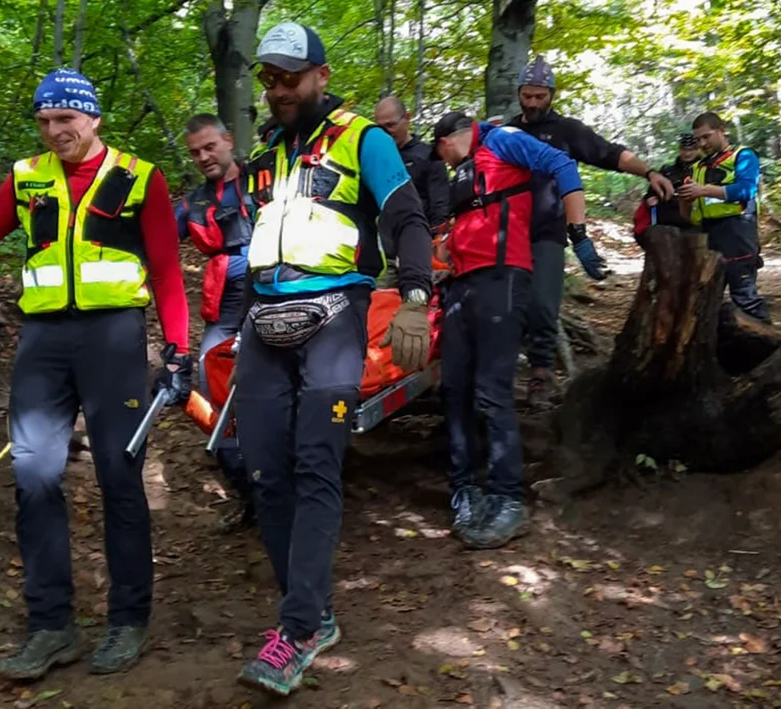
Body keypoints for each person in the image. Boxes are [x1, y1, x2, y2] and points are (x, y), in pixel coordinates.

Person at [0, 68, 191, 679]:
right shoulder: (26, 178)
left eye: (66, 119)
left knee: (120, 476)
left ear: (92, 120)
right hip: (43, 342)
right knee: (33, 474)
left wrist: (178, 349)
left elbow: (166, 267)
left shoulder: (140, 179)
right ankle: (52, 626)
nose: (55, 131)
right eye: (44, 121)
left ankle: (127, 620)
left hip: (113, 339)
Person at [232, 21, 435, 697]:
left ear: (320, 75)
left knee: (318, 460)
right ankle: (313, 611)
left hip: (336, 318)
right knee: (265, 470)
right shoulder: (264, 159)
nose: (279, 89)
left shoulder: (362, 138)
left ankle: (295, 630)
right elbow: (250, 249)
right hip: (263, 321)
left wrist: (413, 294)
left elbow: (406, 215)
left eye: (291, 76)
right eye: (270, 78)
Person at [430, 110, 586, 549]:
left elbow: (562, 164)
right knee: (454, 388)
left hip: (503, 278)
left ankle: (509, 499)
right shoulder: (467, 167)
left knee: (491, 391)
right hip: (462, 284)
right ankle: (465, 488)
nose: (442, 162)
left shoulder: (503, 140)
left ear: (448, 139)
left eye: (440, 152)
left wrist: (578, 230)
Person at [507, 56, 675, 408]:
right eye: (527, 96)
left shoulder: (566, 131)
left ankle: (540, 376)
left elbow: (610, 153)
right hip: (504, 235)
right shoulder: (507, 132)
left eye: (540, 96)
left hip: (547, 233)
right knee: (505, 306)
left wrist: (649, 172)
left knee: (542, 304)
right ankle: (499, 377)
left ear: (551, 94)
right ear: (519, 93)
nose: (533, 103)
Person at [174, 112, 255, 533]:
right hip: (222, 307)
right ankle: (249, 492)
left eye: (210, 147)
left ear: (227, 140)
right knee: (208, 394)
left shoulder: (263, 180)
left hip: (272, 300)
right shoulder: (194, 201)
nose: (204, 157)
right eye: (195, 153)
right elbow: (155, 235)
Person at [677, 111, 769, 321]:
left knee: (745, 297)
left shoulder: (743, 156)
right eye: (698, 139)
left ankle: (766, 344)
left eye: (706, 136)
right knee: (705, 300)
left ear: (721, 131)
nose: (702, 143)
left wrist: (705, 191)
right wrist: (684, 200)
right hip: (707, 237)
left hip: (737, 233)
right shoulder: (698, 167)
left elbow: (746, 191)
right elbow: (690, 218)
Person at [373, 96, 450, 231]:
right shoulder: (375, 158)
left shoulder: (428, 156)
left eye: (391, 125)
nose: (386, 132)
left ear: (407, 118)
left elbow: (440, 207)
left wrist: (435, 240)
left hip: (419, 237)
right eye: (380, 128)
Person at [634, 132, 702, 239]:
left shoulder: (705, 170)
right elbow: (651, 193)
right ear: (680, 149)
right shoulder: (667, 171)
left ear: (698, 149)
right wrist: (650, 199)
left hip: (696, 225)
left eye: (691, 149)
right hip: (667, 225)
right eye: (684, 149)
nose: (687, 153)